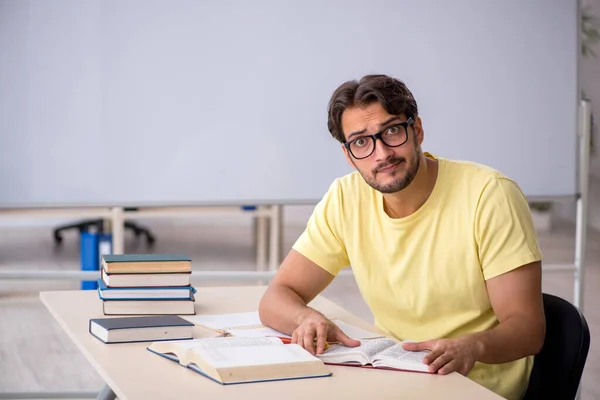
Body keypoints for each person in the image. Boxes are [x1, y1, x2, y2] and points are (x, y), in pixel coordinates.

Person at [257, 74, 545, 400]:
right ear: (349, 155)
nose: (381, 154)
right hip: (394, 377)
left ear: (417, 130)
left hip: (475, 386)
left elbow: (527, 328)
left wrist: (473, 344)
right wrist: (306, 317)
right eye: (361, 142)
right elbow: (278, 296)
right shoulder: (345, 198)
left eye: (392, 131)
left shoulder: (489, 195)